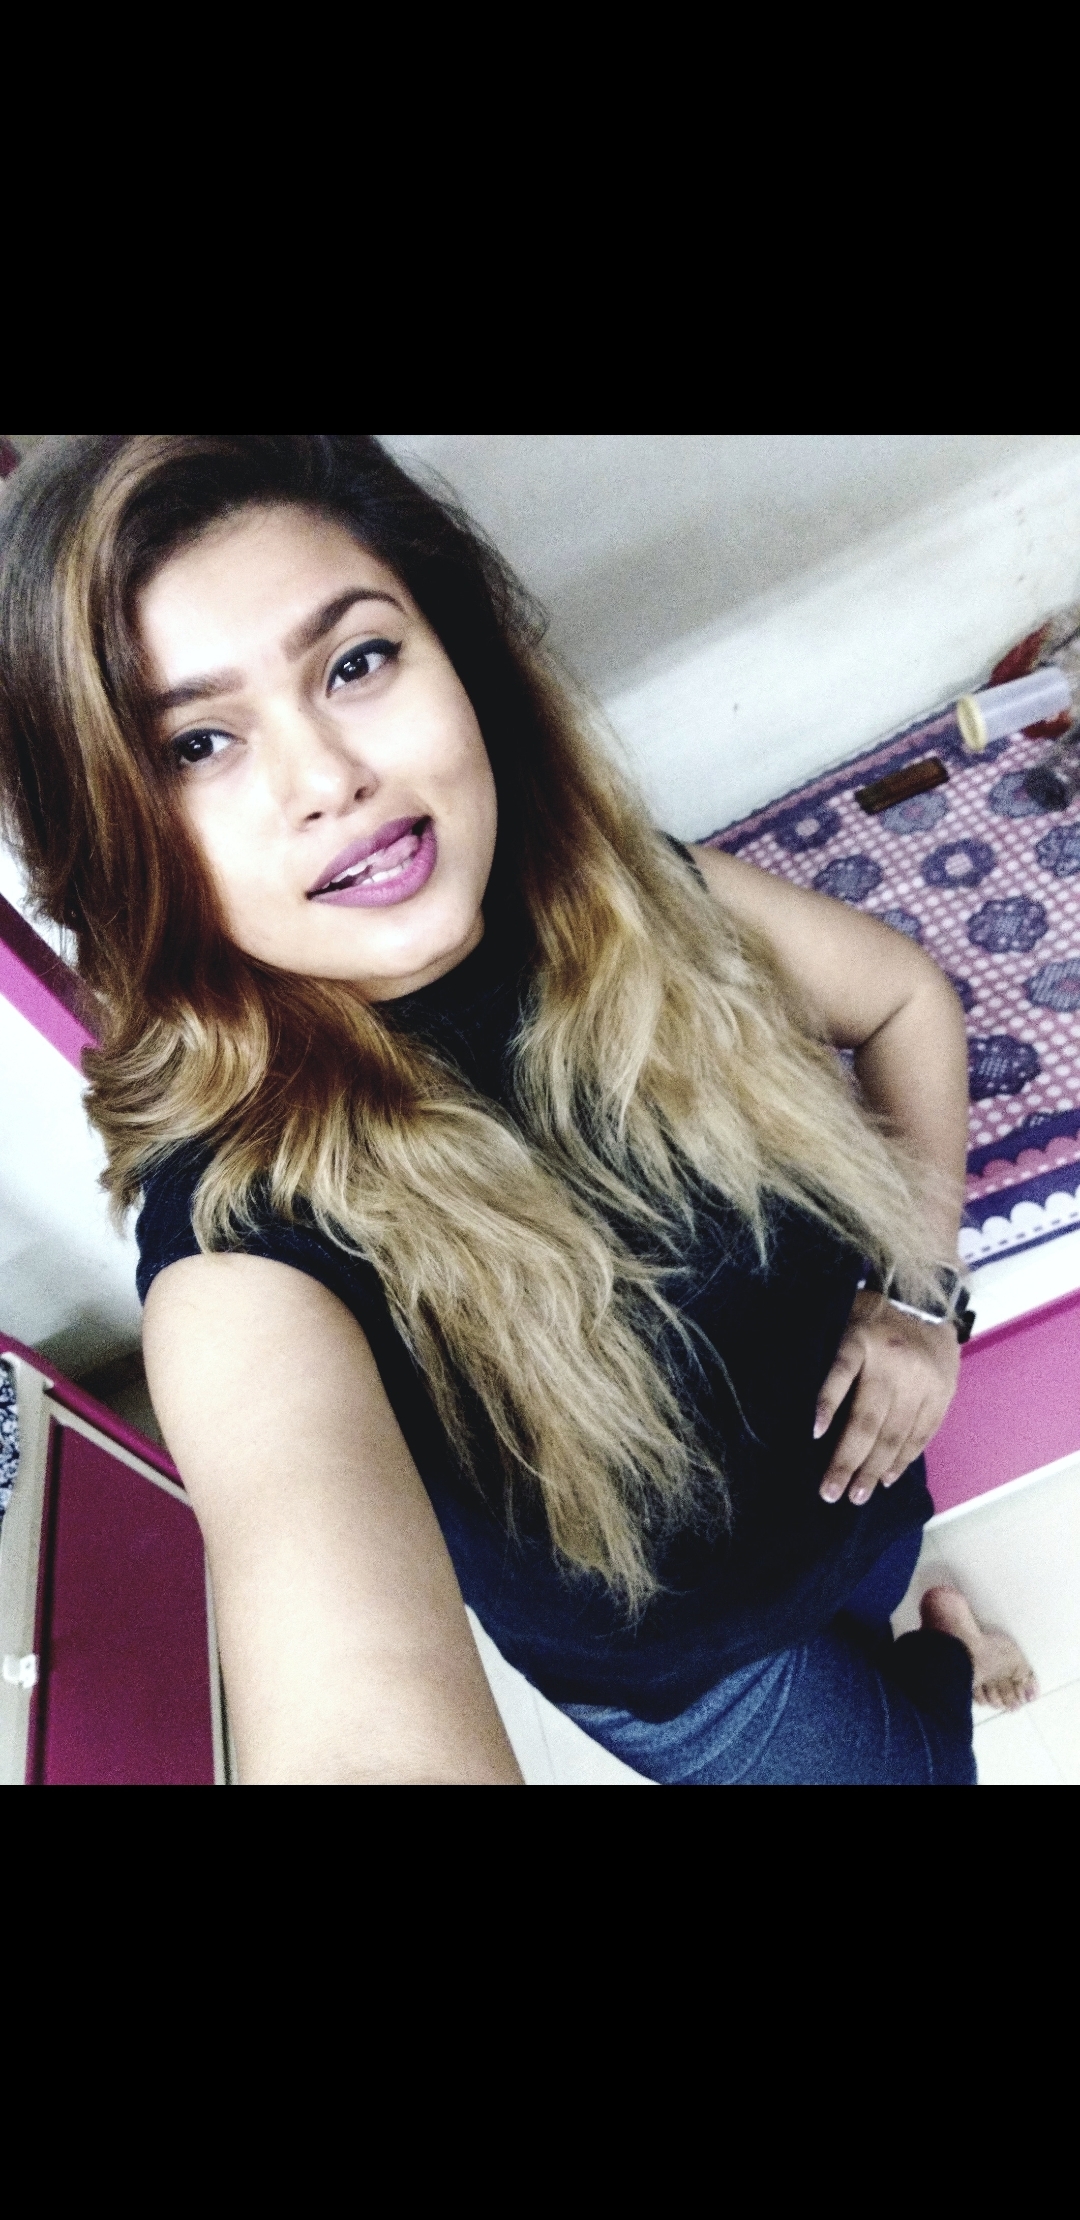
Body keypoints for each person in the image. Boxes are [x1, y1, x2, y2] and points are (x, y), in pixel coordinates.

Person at [0, 436, 1036, 1785]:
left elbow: (903, 1003)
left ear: (460, 658)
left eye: (357, 662)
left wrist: (918, 1297)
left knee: (891, 1609)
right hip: (698, 1688)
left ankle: (936, 1641)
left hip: (870, 1483)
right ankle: (943, 1680)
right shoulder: (241, 1251)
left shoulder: (640, 896)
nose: (327, 778)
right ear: (114, 841)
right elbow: (353, 1724)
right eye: (197, 744)